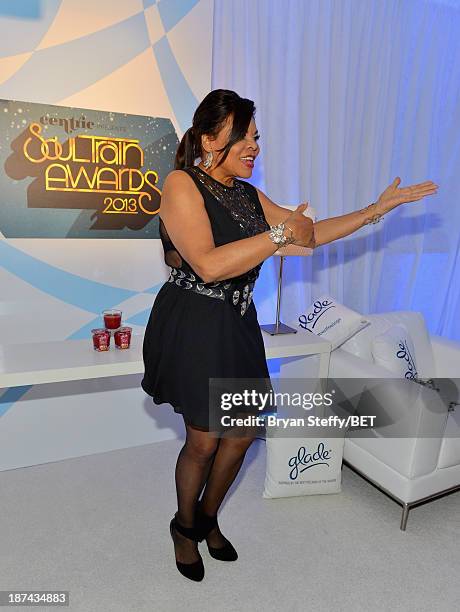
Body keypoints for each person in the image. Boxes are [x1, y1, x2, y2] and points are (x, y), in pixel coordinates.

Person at [141, 89, 438, 582]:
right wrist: (281, 234)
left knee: (239, 437)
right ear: (212, 138)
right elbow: (210, 266)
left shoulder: (247, 193)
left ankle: (209, 518)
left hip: (236, 325)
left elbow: (310, 235)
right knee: (204, 441)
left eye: (257, 137)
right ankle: (183, 526)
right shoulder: (181, 184)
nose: (255, 146)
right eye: (246, 137)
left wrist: (374, 209)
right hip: (194, 324)